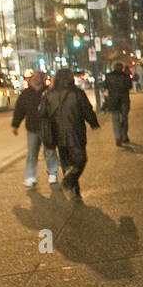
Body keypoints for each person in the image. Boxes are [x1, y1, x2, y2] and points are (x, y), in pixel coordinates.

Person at [39, 67, 100, 201]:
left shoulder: (48, 95)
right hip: (76, 131)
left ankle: (74, 190)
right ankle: (70, 182)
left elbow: (42, 114)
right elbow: (87, 110)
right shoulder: (77, 93)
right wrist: (93, 123)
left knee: (66, 161)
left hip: (57, 133)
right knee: (80, 159)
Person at [11, 70, 58, 188]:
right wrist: (15, 125)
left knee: (50, 151)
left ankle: (53, 173)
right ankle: (30, 176)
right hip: (32, 128)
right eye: (35, 77)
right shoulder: (26, 94)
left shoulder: (49, 92)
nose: (37, 79)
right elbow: (19, 110)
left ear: (42, 79)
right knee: (32, 153)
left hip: (47, 127)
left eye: (39, 77)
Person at [103, 60, 133, 147]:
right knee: (124, 118)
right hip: (124, 100)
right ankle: (124, 136)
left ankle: (117, 137)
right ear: (122, 68)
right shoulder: (126, 76)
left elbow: (105, 86)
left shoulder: (109, 76)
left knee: (115, 119)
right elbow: (129, 86)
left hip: (113, 100)